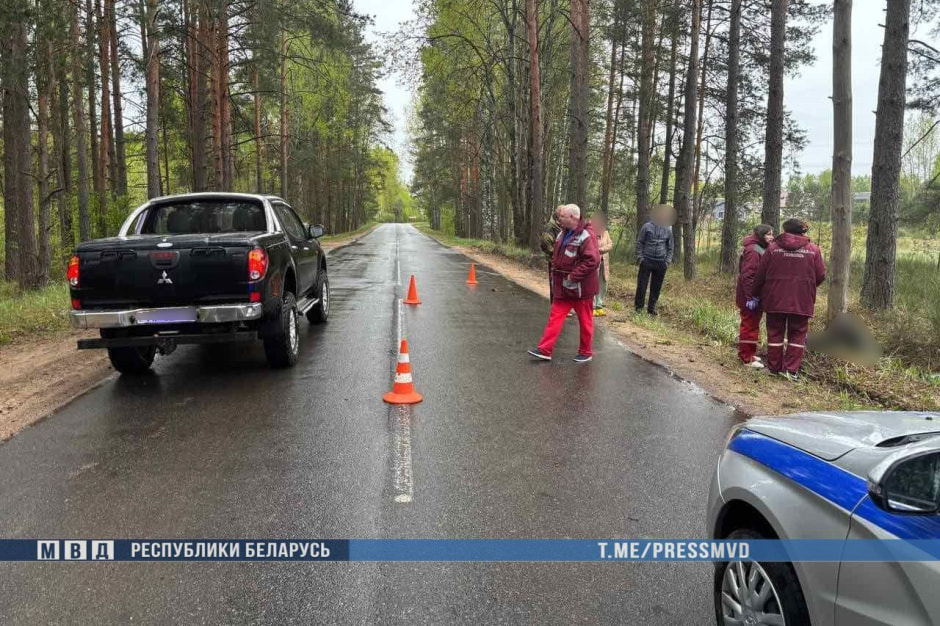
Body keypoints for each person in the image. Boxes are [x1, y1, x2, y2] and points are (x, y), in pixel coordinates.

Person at [749, 218, 827, 380]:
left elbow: (760, 275)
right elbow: (820, 276)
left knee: (775, 333)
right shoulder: (814, 250)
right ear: (803, 232)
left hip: (774, 300)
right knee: (797, 335)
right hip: (802, 300)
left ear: (785, 231)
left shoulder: (772, 249)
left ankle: (774, 368)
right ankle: (791, 371)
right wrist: (807, 288)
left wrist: (754, 293)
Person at [528, 204, 600, 363]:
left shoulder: (587, 236)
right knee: (555, 317)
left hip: (582, 290)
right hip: (563, 288)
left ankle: (586, 352)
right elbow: (556, 255)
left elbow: (593, 261)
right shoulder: (562, 233)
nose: (559, 219)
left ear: (573, 218)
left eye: (563, 217)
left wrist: (573, 276)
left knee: (586, 321)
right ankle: (544, 350)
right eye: (559, 217)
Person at [736, 224, 774, 369]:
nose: (771, 237)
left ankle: (750, 352)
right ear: (760, 235)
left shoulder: (759, 248)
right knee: (749, 326)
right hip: (750, 297)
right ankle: (746, 357)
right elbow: (748, 275)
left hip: (756, 295)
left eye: (772, 234)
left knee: (753, 325)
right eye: (768, 234)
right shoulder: (753, 250)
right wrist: (751, 296)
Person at [634, 204, 675, 315]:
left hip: (661, 263)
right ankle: (638, 308)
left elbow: (671, 247)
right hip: (646, 260)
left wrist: (667, 262)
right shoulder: (646, 227)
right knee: (642, 285)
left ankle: (651, 309)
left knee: (656, 287)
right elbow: (640, 243)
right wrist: (640, 258)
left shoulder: (668, 229)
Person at [590, 211, 614, 317]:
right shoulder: (590, 233)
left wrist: (600, 249)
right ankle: (592, 306)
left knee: (603, 284)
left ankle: (599, 305)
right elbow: (590, 247)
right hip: (594, 262)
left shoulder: (606, 233)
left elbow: (610, 245)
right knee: (593, 283)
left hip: (605, 263)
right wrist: (600, 250)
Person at [540, 207, 563, 299]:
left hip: (564, 263)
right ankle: (556, 309)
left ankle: (562, 310)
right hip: (555, 262)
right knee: (555, 286)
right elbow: (545, 245)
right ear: (558, 216)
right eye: (563, 215)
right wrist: (559, 255)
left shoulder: (562, 227)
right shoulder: (550, 227)